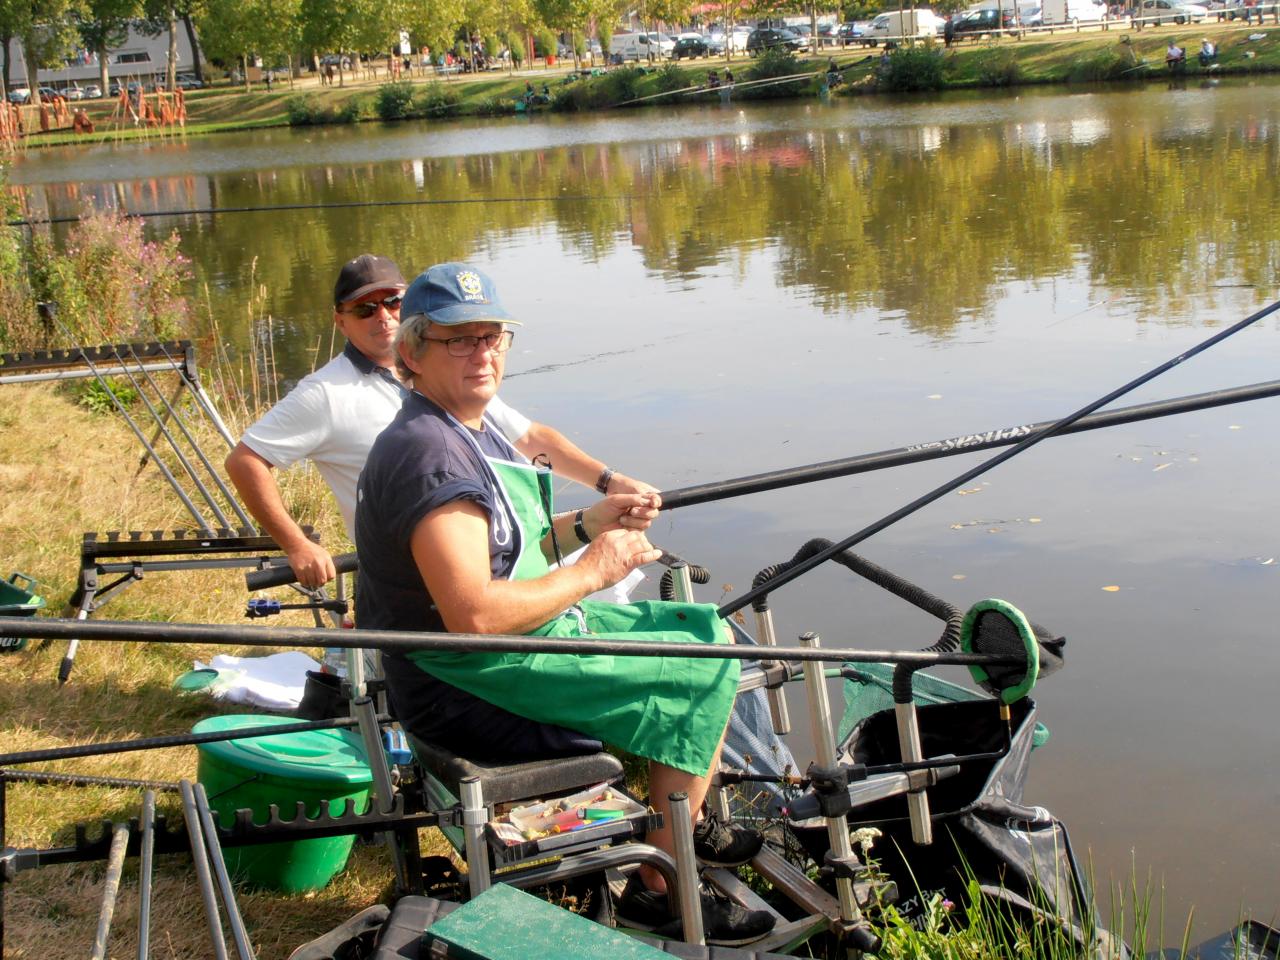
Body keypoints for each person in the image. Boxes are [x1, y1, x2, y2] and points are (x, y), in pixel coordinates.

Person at [355, 262, 775, 946]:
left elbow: (505, 553)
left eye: (493, 335)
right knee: (698, 670)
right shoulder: (431, 455)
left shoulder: (463, 426)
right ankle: (662, 885)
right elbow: (477, 615)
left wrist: (591, 524)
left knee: (703, 629)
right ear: (412, 351)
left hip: (490, 649)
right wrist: (593, 571)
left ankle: (681, 826)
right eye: (459, 340)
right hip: (463, 678)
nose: (482, 352)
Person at [226, 254, 655, 589]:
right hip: (420, 575)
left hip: (503, 548)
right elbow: (245, 461)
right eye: (364, 309)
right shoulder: (325, 394)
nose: (383, 316)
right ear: (340, 320)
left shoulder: (456, 373)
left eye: (394, 301)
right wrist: (297, 545)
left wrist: (609, 483)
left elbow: (529, 437)